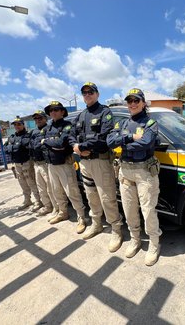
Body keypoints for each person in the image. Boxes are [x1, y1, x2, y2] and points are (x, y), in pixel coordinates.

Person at [107, 88, 162, 266]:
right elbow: (110, 141)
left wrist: (122, 144)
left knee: (148, 211)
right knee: (129, 208)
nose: (132, 104)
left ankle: (154, 244)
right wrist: (131, 137)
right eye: (129, 101)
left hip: (144, 172)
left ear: (143, 103)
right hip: (124, 170)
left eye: (136, 101)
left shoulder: (151, 123)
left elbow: (146, 143)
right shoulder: (122, 123)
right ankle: (135, 240)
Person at [69, 82, 123, 253]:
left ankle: (116, 231)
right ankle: (97, 224)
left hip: (100, 162)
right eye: (84, 92)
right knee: (91, 195)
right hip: (85, 163)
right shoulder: (81, 115)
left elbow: (104, 137)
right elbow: (70, 135)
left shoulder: (105, 112)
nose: (87, 94)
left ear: (97, 94)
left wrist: (82, 147)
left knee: (107, 197)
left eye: (90, 92)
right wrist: (76, 147)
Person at [41, 101, 86, 232]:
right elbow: (44, 143)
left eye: (56, 109)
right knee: (57, 192)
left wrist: (46, 141)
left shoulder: (67, 126)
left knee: (72, 192)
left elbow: (60, 143)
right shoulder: (48, 127)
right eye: (51, 110)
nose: (53, 112)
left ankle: (81, 218)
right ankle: (63, 213)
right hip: (51, 164)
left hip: (65, 164)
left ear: (62, 112)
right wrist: (50, 142)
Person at [4, 116, 42, 211]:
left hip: (27, 162)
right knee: (22, 183)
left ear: (23, 125)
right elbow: (5, 149)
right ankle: (27, 200)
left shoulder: (27, 135)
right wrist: (13, 148)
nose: (17, 126)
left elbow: (21, 148)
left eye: (19, 124)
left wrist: (12, 148)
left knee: (31, 182)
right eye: (15, 125)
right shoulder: (12, 137)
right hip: (17, 164)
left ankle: (38, 201)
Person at [29, 110, 59, 217]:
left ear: (45, 118)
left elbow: (43, 145)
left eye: (40, 118)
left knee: (50, 188)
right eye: (36, 119)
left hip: (45, 163)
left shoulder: (48, 129)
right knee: (41, 187)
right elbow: (31, 146)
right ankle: (47, 206)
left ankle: (56, 208)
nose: (38, 120)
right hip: (36, 163)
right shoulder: (33, 132)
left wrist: (39, 144)